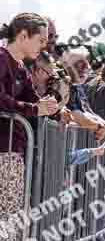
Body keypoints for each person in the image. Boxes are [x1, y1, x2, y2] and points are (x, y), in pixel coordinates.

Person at [0, 13, 61, 154]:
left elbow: (33, 100)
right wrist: (35, 109)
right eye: (41, 40)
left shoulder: (21, 68)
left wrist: (53, 107)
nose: (44, 45)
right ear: (23, 36)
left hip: (12, 150)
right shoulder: (1, 58)